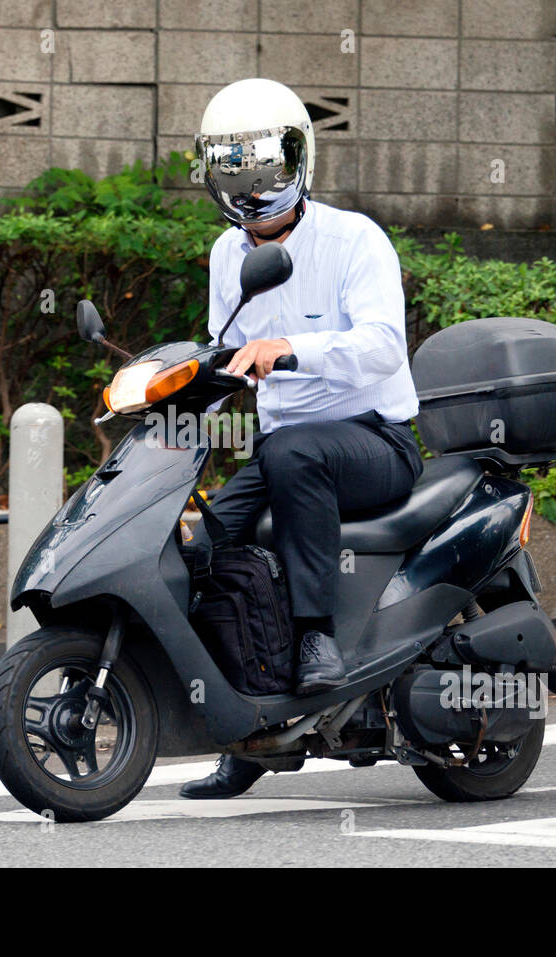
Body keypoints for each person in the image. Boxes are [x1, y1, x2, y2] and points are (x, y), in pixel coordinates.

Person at [179, 78, 423, 799]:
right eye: (236, 176)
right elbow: (228, 349)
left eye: (268, 172)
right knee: (206, 541)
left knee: (291, 453)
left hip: (376, 440)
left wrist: (290, 350)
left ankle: (317, 635)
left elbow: (382, 348)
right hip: (291, 450)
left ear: (300, 161)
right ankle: (248, 728)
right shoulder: (229, 255)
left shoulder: (356, 241)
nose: (254, 194)